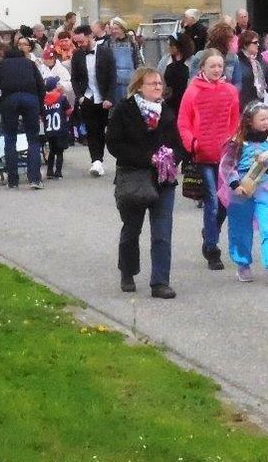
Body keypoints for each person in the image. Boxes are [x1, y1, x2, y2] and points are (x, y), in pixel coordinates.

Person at [107, 67, 182, 299]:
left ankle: (160, 282)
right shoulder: (124, 110)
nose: (158, 87)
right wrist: (147, 157)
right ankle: (127, 272)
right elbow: (114, 145)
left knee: (162, 232)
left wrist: (172, 158)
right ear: (139, 86)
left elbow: (178, 144)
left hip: (163, 179)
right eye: (152, 83)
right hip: (134, 176)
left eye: (160, 83)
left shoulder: (166, 112)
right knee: (131, 229)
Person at [219, 101, 268, 285]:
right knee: (240, 228)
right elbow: (227, 165)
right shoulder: (237, 141)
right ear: (249, 121)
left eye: (267, 118)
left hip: (264, 187)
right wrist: (235, 183)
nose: (265, 122)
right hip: (242, 189)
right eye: (261, 119)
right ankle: (242, 264)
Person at [178, 49, 240, 270]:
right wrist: (192, 144)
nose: (216, 70)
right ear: (202, 67)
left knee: (224, 202)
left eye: (220, 66)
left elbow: (234, 121)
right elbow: (183, 122)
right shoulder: (192, 92)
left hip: (225, 156)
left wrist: (234, 144)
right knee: (212, 203)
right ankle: (212, 249)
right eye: (212, 66)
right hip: (203, 156)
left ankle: (210, 231)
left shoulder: (231, 91)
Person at [0, 46, 46, 190]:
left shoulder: (1, 66)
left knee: (10, 138)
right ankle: (34, 179)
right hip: (30, 98)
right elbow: (41, 86)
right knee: (33, 139)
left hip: (9, 99)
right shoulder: (30, 64)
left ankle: (13, 180)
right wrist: (39, 104)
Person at [70, 24, 116, 177]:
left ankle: (99, 160)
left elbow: (112, 77)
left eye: (82, 41)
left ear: (90, 36)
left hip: (102, 98)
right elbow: (74, 79)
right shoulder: (77, 55)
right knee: (91, 130)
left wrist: (109, 97)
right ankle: (95, 161)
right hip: (87, 97)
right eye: (77, 42)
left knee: (101, 130)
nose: (79, 45)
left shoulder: (106, 52)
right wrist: (80, 97)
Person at [232, 29, 268, 110]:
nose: (258, 45)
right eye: (255, 43)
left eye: (258, 42)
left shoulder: (262, 62)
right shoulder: (236, 61)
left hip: (258, 107)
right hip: (241, 107)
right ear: (245, 45)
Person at [42, 76, 72, 179]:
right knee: (60, 152)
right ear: (55, 86)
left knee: (52, 151)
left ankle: (49, 171)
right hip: (61, 130)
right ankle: (58, 172)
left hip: (49, 130)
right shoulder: (61, 98)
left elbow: (41, 116)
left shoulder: (44, 100)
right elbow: (68, 111)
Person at [107, 17, 142, 103]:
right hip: (115, 81)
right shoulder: (109, 42)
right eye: (112, 29)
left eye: (116, 29)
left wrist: (140, 76)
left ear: (122, 28)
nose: (114, 31)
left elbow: (137, 59)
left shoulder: (131, 41)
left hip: (130, 79)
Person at [162, 34, 193, 117]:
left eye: (171, 45)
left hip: (186, 100)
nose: (169, 47)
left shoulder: (192, 61)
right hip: (169, 101)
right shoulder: (165, 61)